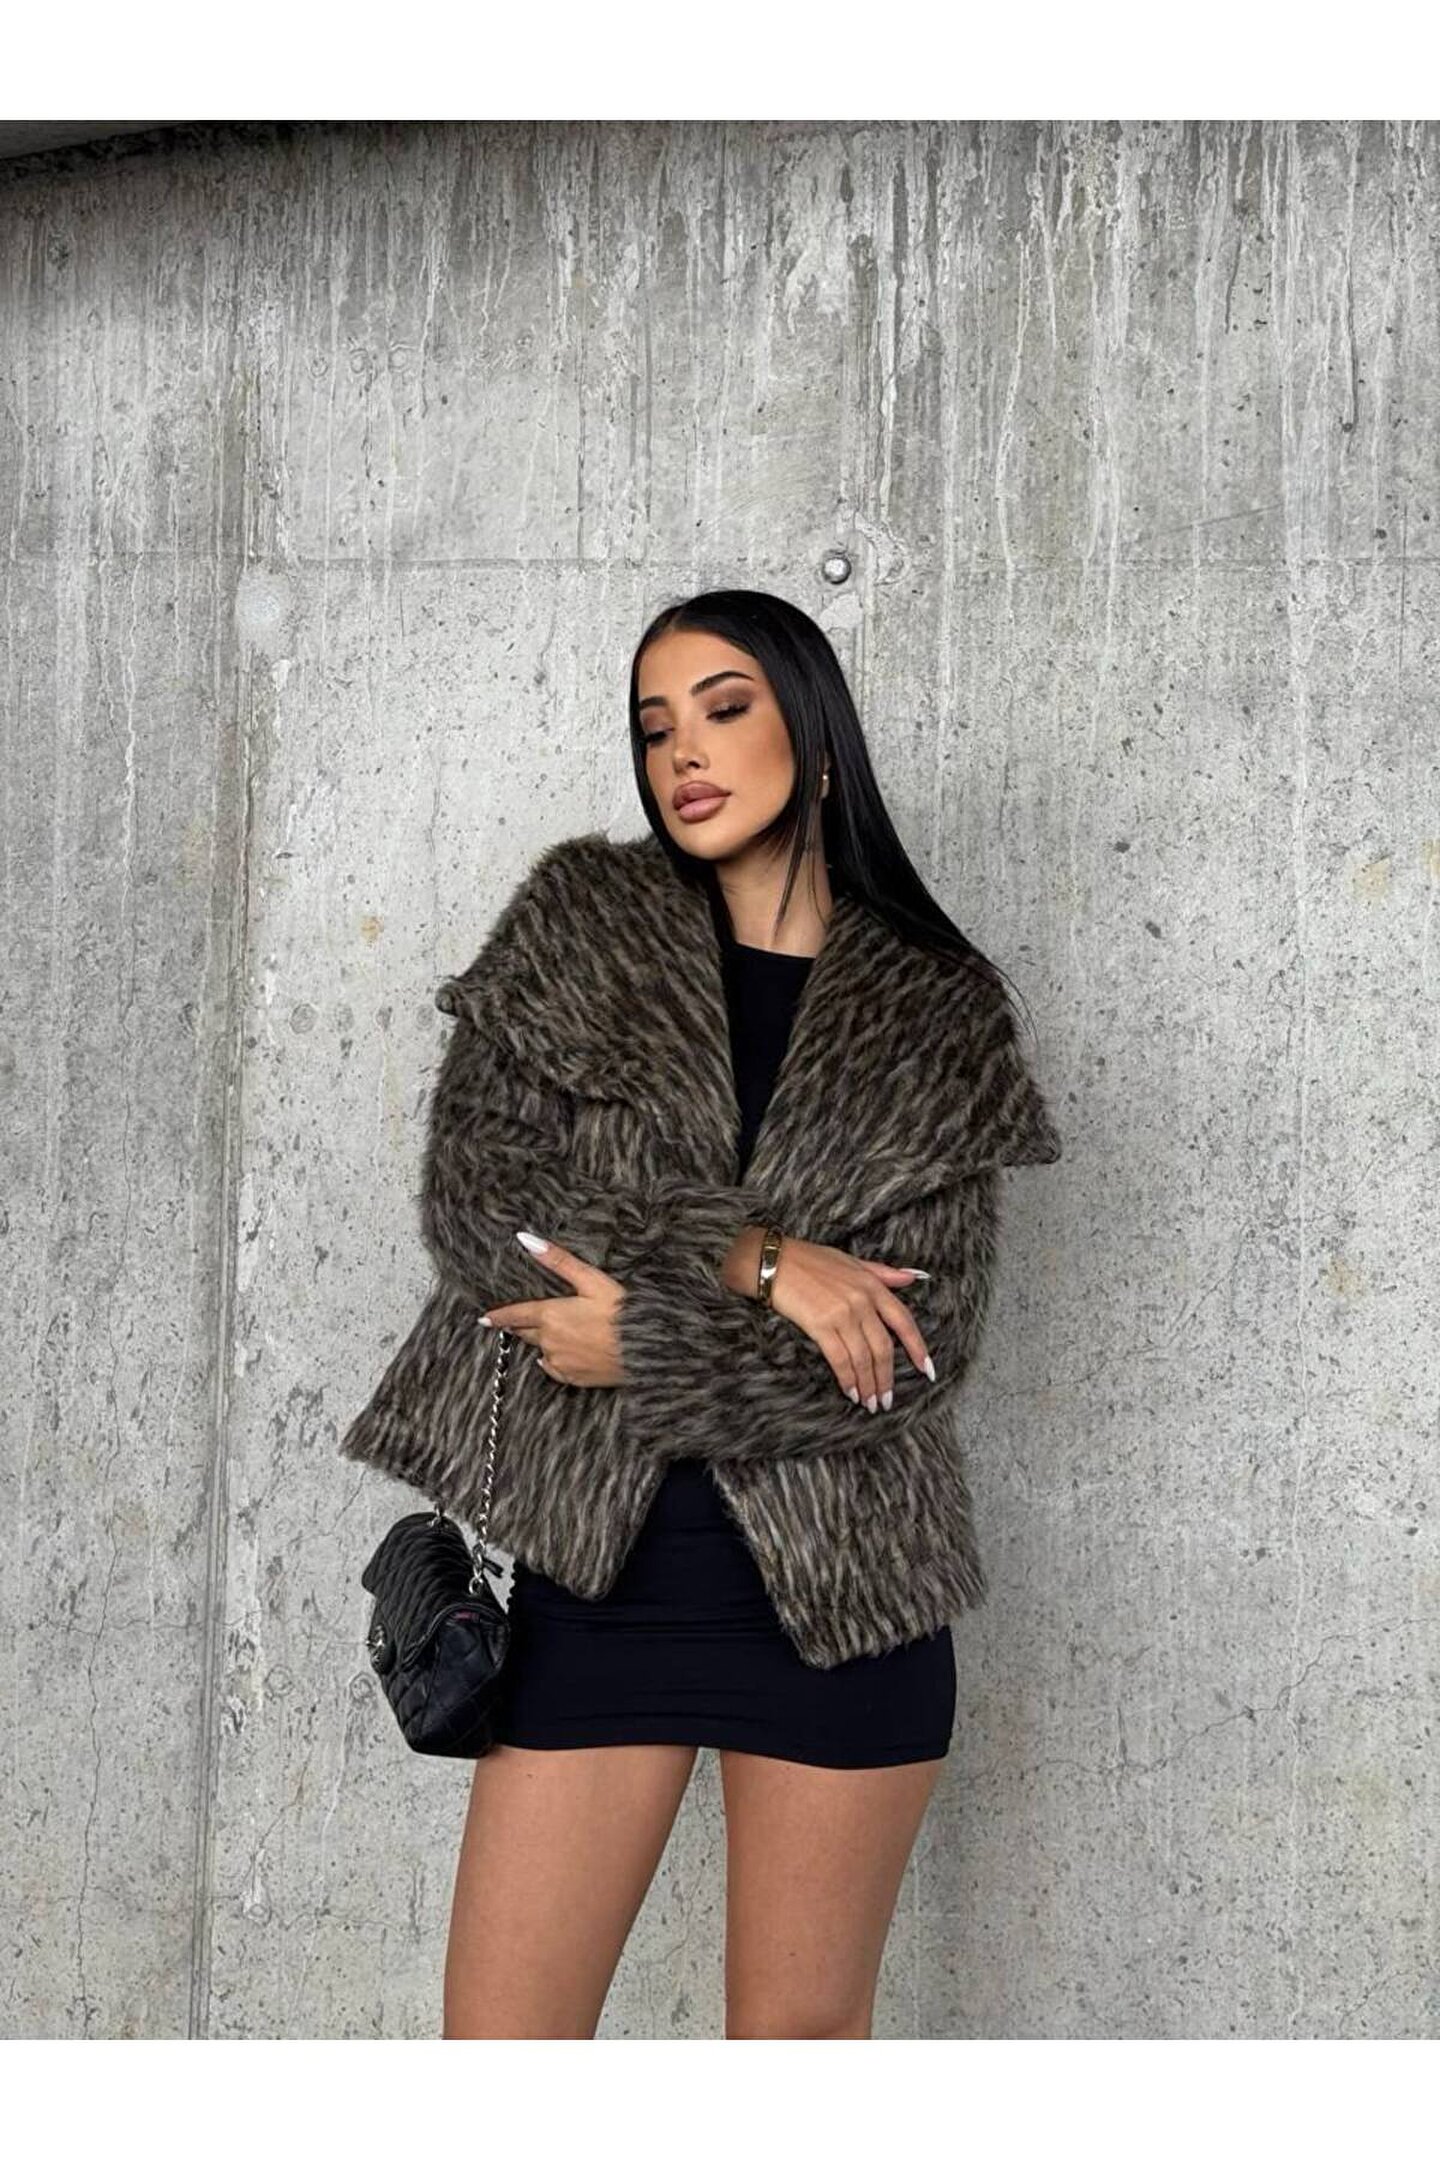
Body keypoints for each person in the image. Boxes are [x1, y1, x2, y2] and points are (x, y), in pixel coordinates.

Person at [341, 588, 1062, 2038]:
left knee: (793, 2068)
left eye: (725, 708)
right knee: (501, 2059)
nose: (684, 750)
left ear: (817, 733)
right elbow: (486, 1208)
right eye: (654, 725)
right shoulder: (582, 925)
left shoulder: (935, 1011)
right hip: (598, 1591)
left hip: (852, 1597)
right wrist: (763, 1263)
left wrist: (643, 1344)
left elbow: (915, 1350)